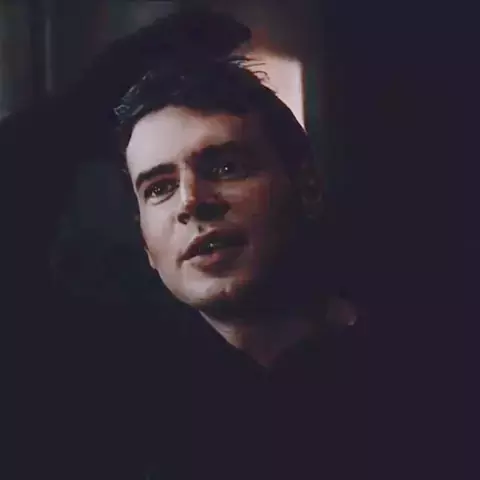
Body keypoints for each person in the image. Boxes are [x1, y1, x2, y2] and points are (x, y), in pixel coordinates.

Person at [12, 9, 365, 480]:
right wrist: (86, 101)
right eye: (159, 187)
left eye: (226, 167)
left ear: (307, 189)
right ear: (145, 240)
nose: (192, 202)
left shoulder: (422, 366)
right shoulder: (113, 403)